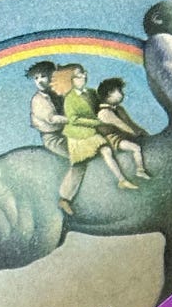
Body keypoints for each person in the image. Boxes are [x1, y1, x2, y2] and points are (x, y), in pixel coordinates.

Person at [52, 62, 139, 211]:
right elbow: (74, 119)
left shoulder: (91, 93)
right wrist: (96, 122)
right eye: (79, 75)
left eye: (84, 72)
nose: (84, 76)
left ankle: (122, 180)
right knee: (81, 164)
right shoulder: (70, 99)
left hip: (92, 132)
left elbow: (103, 104)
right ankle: (65, 199)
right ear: (71, 80)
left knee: (107, 150)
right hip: (78, 135)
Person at [94, 77, 151, 182]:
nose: (122, 94)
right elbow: (122, 125)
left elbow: (129, 123)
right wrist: (135, 133)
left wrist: (141, 131)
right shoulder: (104, 112)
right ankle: (140, 170)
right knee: (136, 148)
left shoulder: (119, 109)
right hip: (112, 140)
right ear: (110, 93)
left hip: (122, 136)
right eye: (119, 91)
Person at [26, 61, 66, 156]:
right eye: (36, 78)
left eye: (43, 76)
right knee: (75, 153)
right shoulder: (38, 99)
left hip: (68, 131)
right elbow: (52, 118)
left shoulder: (61, 93)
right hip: (52, 137)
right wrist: (74, 120)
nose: (39, 81)